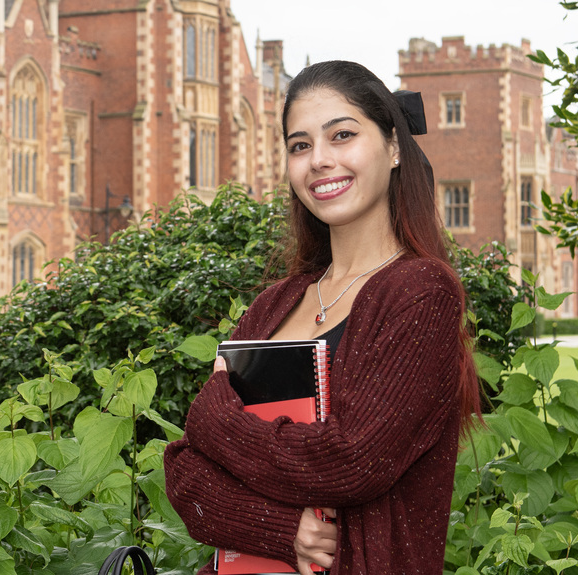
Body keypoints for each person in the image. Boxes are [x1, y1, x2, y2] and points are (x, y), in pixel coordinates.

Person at [163, 60, 480, 575]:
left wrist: (217, 418)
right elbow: (184, 474)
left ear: (395, 147)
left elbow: (351, 462)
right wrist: (283, 529)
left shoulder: (420, 293)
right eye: (300, 145)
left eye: (343, 135)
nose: (320, 161)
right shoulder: (277, 303)